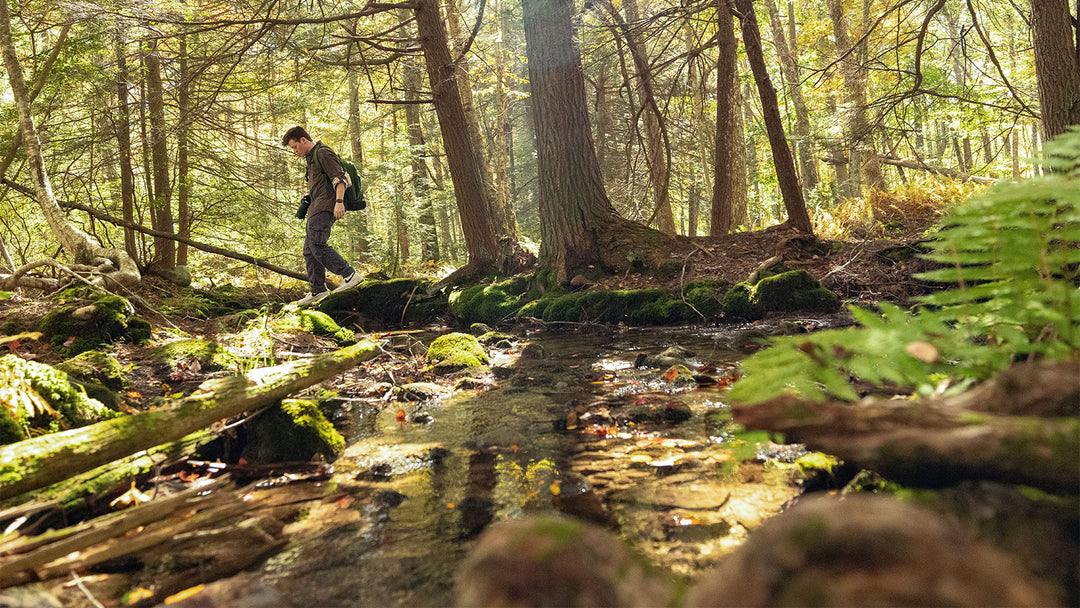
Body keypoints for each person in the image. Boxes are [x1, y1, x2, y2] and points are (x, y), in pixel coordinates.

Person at [282, 126, 362, 305]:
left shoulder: (323, 153)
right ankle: (318, 290)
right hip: (315, 207)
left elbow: (340, 178)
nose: (295, 151)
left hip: (326, 206)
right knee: (309, 250)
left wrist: (339, 202)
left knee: (317, 244)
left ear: (303, 140)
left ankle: (350, 275)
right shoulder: (311, 159)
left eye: (295, 147)